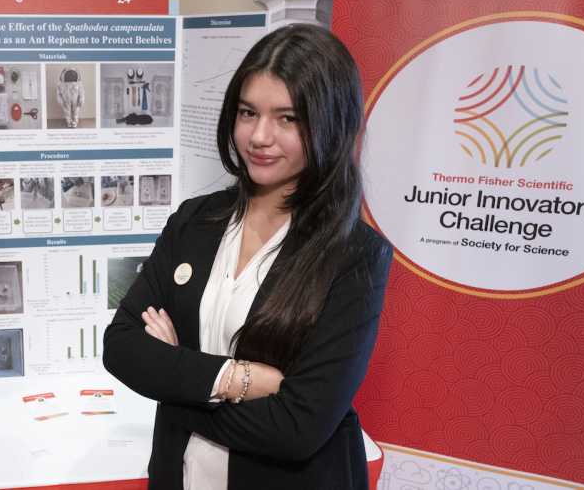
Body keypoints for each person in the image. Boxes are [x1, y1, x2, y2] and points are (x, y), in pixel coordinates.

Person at [103, 24, 393, 490]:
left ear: (331, 123)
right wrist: (234, 378)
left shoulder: (355, 255)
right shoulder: (194, 222)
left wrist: (173, 374)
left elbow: (297, 428)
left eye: (288, 118)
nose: (259, 136)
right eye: (247, 112)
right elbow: (121, 346)